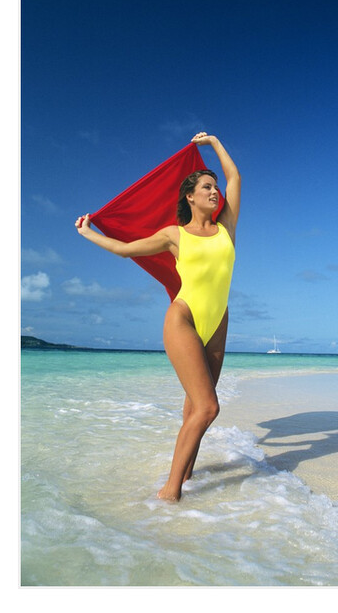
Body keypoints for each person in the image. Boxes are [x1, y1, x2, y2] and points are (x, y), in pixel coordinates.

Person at [75, 132, 241, 501]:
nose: (215, 192)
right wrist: (88, 233)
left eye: (215, 187)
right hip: (183, 319)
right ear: (190, 196)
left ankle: (186, 475)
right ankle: (169, 493)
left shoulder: (226, 227)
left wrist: (214, 143)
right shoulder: (174, 235)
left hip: (218, 322)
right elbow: (125, 249)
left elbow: (235, 178)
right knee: (209, 407)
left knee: (195, 407)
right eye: (207, 187)